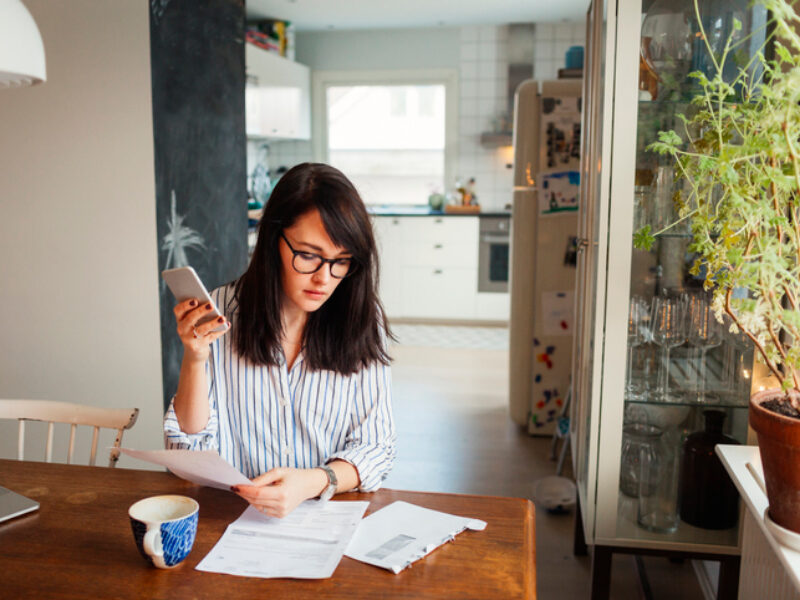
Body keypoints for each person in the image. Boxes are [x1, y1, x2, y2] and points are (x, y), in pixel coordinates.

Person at [164, 162, 396, 518]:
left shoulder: (362, 320)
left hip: (326, 516)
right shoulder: (223, 312)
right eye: (308, 255)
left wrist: (314, 481)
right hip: (232, 518)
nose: (324, 278)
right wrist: (194, 358)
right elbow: (186, 452)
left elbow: (376, 447)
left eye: (341, 261)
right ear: (273, 240)